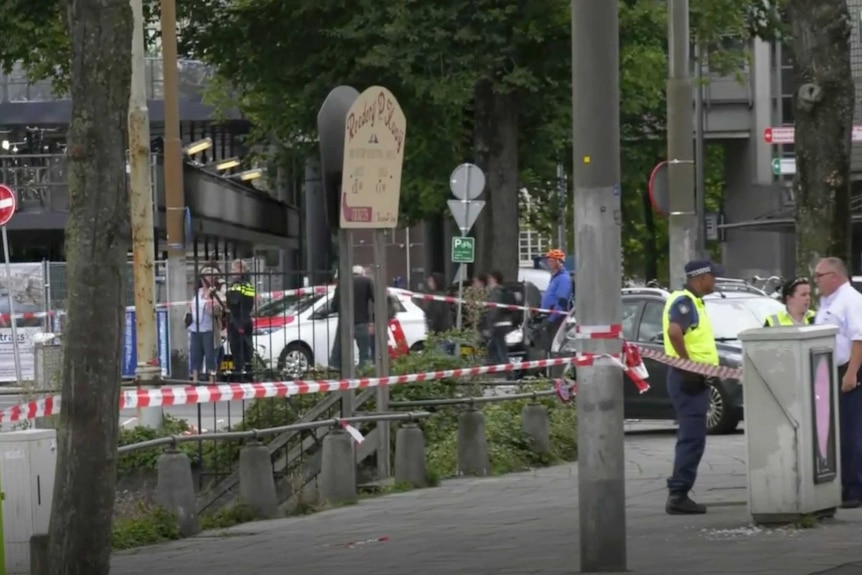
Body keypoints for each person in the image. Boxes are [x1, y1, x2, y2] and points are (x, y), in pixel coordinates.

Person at [662, 260, 721, 515]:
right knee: (691, 439)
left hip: (693, 378)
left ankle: (680, 492)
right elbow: (675, 331)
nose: (715, 281)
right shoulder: (685, 302)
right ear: (701, 277)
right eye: (713, 277)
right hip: (688, 379)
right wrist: (688, 366)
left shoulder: (694, 302)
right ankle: (678, 494)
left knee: (693, 437)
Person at [813, 257, 862, 508]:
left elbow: (859, 338)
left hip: (847, 370)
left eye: (819, 276)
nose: (816, 281)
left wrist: (852, 373)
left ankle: (855, 489)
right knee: (835, 433)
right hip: (827, 371)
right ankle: (843, 485)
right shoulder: (827, 302)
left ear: (834, 275)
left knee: (850, 433)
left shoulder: (850, 300)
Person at [331, 264, 374, 371]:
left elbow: (334, 306)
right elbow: (375, 300)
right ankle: (364, 373)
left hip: (345, 323)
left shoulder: (342, 283)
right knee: (364, 352)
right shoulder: (367, 281)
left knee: (339, 350)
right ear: (361, 273)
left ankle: (338, 369)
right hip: (361, 322)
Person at [187, 267, 221, 383]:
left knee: (210, 355)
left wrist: (209, 298)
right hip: (195, 328)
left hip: (209, 328)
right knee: (195, 354)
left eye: (209, 277)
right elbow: (191, 307)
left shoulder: (216, 293)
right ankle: (195, 378)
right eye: (204, 276)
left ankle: (212, 378)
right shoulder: (198, 292)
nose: (206, 279)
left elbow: (215, 311)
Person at [226, 259, 256, 381]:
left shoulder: (237, 284)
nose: (232, 272)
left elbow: (233, 301)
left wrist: (227, 293)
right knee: (247, 349)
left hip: (237, 320)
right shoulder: (249, 284)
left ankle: (239, 375)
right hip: (247, 318)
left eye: (234, 269)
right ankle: (249, 374)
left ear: (241, 270)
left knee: (237, 350)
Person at [538, 248, 572, 351]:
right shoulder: (555, 277)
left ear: (559, 262)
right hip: (549, 316)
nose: (549, 263)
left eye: (552, 261)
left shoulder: (563, 278)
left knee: (554, 347)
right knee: (546, 344)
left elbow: (562, 301)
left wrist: (552, 319)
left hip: (557, 318)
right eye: (548, 261)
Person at [483, 270, 513, 369]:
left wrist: (489, 326)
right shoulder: (504, 290)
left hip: (498, 323)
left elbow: (494, 309)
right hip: (506, 322)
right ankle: (499, 369)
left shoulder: (495, 292)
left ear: (494, 279)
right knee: (494, 348)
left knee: (500, 349)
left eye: (489, 278)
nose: (488, 280)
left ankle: (506, 371)